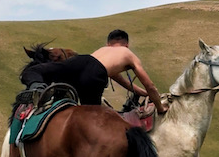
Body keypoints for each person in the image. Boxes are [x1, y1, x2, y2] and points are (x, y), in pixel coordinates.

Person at [20, 28, 169, 113]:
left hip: (80, 62)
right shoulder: (128, 54)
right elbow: (150, 85)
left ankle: (38, 88)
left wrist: (141, 93)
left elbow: (121, 80)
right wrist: (160, 107)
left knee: (34, 71)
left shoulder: (103, 51)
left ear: (108, 43)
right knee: (93, 118)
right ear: (127, 45)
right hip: (95, 76)